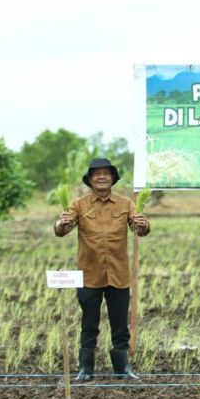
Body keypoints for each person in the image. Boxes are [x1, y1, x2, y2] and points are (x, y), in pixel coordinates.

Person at [54, 158, 150, 380]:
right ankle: (85, 369)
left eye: (106, 173)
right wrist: (62, 223)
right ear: (89, 179)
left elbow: (140, 229)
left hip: (119, 274)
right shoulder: (79, 205)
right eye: (96, 174)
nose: (101, 177)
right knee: (89, 323)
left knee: (120, 325)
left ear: (113, 178)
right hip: (89, 275)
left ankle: (122, 369)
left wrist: (142, 224)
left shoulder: (125, 204)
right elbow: (62, 229)